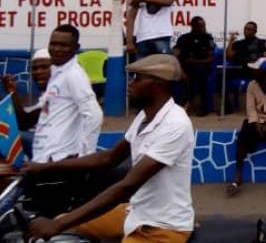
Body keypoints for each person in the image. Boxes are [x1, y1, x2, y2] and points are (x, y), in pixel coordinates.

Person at [27, 54, 195, 242]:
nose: (130, 83)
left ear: (158, 84)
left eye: (137, 78)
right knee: (62, 224)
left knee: (60, 224)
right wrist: (44, 167)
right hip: (136, 212)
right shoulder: (145, 117)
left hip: (160, 227)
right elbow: (108, 158)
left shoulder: (175, 124)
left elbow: (127, 186)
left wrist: (58, 225)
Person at [32, 25, 103, 163]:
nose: (57, 49)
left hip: (59, 157)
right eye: (53, 44)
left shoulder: (74, 75)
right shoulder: (56, 71)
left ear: (76, 48)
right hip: (44, 154)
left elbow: (94, 115)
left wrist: (84, 156)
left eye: (63, 45)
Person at [226, 58, 266, 196]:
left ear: (265, 73)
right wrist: (257, 124)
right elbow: (250, 108)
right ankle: (238, 175)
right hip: (256, 120)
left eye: (256, 70)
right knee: (243, 138)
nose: (253, 72)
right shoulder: (252, 85)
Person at [2, 49, 51, 159]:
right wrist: (12, 92)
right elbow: (24, 123)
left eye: (44, 67)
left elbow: (24, 123)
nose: (39, 72)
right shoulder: (47, 95)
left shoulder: (62, 93)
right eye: (35, 68)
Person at [173, 16, 215, 116]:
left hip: (201, 67)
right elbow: (175, 54)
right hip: (184, 68)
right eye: (200, 26)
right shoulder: (184, 38)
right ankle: (180, 105)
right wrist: (181, 70)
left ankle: (200, 107)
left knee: (199, 75)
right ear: (193, 26)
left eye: (204, 26)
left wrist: (196, 61)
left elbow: (210, 58)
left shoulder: (208, 38)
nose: (203, 28)